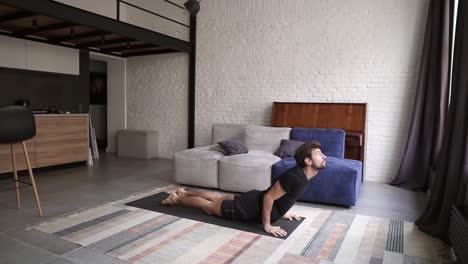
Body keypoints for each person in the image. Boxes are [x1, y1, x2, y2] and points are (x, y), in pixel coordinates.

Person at [161, 141, 326, 237]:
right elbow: (269, 197)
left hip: (254, 200)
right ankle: (177, 198)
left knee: (219, 198)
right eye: (319, 154)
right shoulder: (295, 177)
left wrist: (283, 212)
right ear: (308, 161)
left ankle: (186, 192)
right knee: (210, 207)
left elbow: (283, 196)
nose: (323, 156)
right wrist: (267, 225)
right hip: (250, 207)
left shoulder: (305, 176)